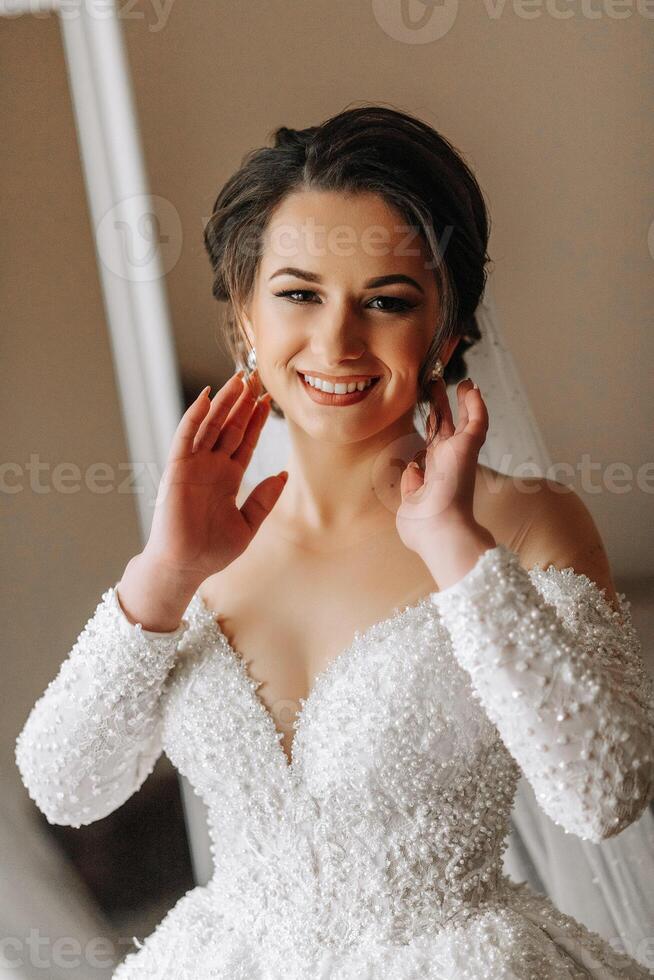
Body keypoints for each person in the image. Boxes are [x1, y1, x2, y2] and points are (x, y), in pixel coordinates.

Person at [16, 105, 654, 978]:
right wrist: (162, 577)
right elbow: (65, 786)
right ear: (244, 314)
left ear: (449, 328)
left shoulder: (527, 525)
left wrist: (456, 553)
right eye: (298, 293)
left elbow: (603, 795)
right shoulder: (199, 548)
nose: (337, 341)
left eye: (386, 302)